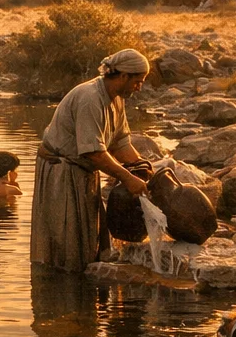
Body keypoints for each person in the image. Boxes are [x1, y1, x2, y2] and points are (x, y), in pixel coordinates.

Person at [31, 48, 149, 272]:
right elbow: (93, 153)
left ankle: (82, 283)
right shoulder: (90, 98)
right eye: (137, 81)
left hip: (84, 171)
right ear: (123, 76)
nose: (139, 87)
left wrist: (140, 167)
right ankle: (60, 294)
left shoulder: (116, 99)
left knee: (87, 240)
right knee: (63, 244)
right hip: (62, 171)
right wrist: (127, 178)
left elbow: (120, 142)